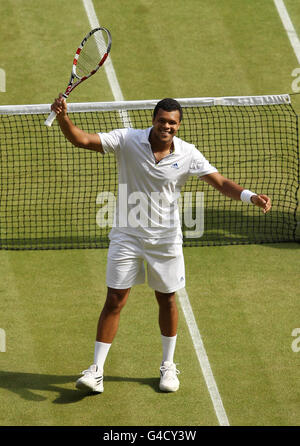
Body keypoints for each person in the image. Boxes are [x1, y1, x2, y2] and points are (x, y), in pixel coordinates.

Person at [51, 95, 271, 394]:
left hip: (165, 240)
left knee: (166, 299)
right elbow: (82, 140)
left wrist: (250, 196)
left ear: (178, 126)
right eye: (162, 120)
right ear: (153, 119)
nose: (166, 126)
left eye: (172, 122)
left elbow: (219, 182)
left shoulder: (188, 154)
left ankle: (168, 366)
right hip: (127, 236)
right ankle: (97, 371)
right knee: (115, 299)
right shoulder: (127, 139)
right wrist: (64, 117)